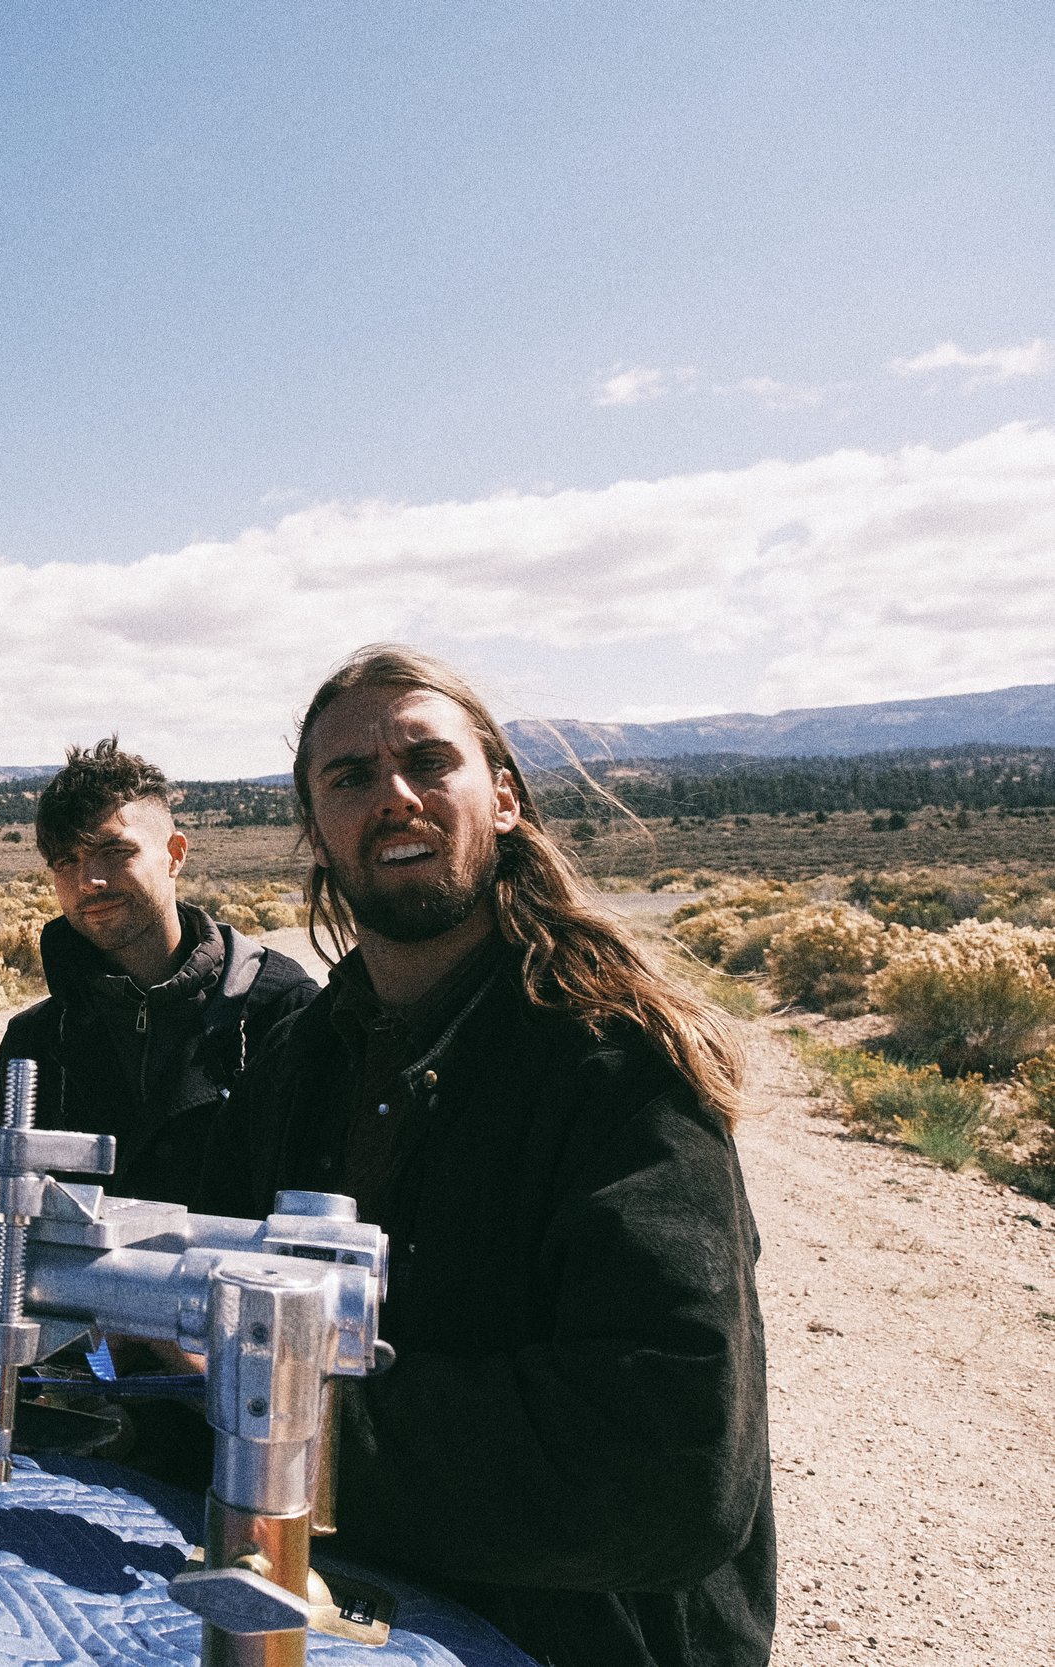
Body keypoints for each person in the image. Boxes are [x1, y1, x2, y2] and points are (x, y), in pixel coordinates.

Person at [199, 646, 773, 1667]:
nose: (396, 797)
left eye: (429, 761)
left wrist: (292, 1435)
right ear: (316, 833)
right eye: (350, 778)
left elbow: (667, 1460)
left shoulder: (609, 1061)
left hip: (583, 1637)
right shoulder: (299, 1064)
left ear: (500, 799)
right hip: (353, 1611)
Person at [0, 737, 315, 1206]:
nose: (90, 881)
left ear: (175, 854)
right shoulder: (37, 1042)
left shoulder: (280, 1011)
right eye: (67, 861)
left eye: (116, 850)